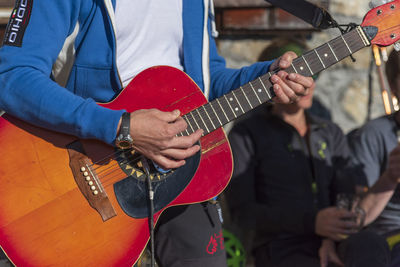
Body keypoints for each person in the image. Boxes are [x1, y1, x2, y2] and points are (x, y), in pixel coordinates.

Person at [0, 1, 313, 266]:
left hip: (180, 172)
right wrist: (121, 127)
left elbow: (204, 80)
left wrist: (268, 77)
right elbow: (13, 76)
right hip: (79, 175)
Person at [225, 39, 389, 267]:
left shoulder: (330, 132)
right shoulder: (246, 134)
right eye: (294, 76)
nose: (307, 83)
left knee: (370, 244)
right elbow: (243, 213)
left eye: (310, 75)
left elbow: (346, 193)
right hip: (280, 246)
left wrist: (331, 236)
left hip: (333, 240)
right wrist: (311, 222)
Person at [345, 49, 400, 267]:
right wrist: (390, 177)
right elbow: (355, 219)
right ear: (393, 86)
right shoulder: (374, 134)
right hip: (390, 239)